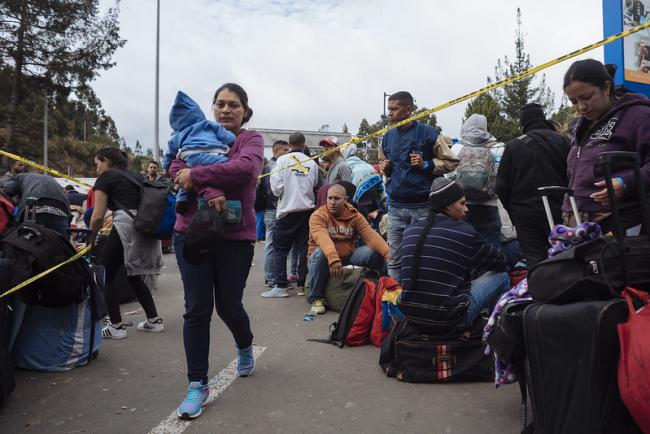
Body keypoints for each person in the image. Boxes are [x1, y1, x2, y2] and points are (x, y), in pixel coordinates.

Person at [170, 83, 264, 420]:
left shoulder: (249, 141)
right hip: (190, 234)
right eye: (221, 104)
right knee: (196, 309)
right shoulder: (189, 132)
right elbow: (172, 169)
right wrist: (206, 186)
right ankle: (197, 384)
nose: (226, 110)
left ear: (245, 111)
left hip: (235, 236)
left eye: (234, 105)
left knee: (228, 305)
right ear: (212, 107)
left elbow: (244, 171)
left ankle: (244, 346)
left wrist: (194, 173)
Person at [398, 178, 510, 338]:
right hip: (449, 321)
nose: (466, 209)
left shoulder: (411, 229)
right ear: (448, 205)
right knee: (502, 277)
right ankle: (496, 337)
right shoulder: (464, 231)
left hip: (412, 319)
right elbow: (501, 262)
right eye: (462, 203)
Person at [563, 59, 650, 233]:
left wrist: (626, 182)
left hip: (622, 225)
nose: (581, 107)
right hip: (578, 225)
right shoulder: (579, 127)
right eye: (573, 101)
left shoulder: (638, 115)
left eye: (587, 97)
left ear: (607, 87)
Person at [86, 147, 164, 340]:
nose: (97, 170)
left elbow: (97, 217)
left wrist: (90, 238)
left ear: (105, 161)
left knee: (105, 273)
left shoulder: (105, 178)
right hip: (144, 224)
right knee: (133, 275)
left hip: (125, 225)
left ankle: (116, 326)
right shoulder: (136, 176)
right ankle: (153, 321)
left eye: (98, 165)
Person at [380, 91, 458, 281]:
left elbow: (452, 162)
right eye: (388, 109)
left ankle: (420, 300)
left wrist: (426, 164)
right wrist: (386, 168)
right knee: (395, 260)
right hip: (396, 207)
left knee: (424, 257)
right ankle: (395, 301)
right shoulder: (387, 137)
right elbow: (383, 165)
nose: (389, 113)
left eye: (394, 109)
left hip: (422, 207)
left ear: (408, 110)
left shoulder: (429, 133)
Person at [497, 103, 570, 266]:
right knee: (565, 257)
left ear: (523, 123)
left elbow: (501, 186)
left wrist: (513, 212)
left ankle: (541, 289)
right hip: (560, 210)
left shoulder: (513, 146)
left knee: (536, 262)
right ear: (542, 119)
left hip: (525, 215)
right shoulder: (564, 141)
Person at [307, 184, 388, 314]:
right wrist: (333, 258)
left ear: (346, 199)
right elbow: (322, 238)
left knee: (373, 252)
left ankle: (384, 288)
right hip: (322, 260)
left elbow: (370, 235)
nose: (332, 202)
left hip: (347, 257)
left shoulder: (355, 216)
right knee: (321, 252)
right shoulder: (318, 215)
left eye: (337, 198)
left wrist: (388, 254)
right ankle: (317, 297)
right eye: (330, 198)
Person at [263, 132, 318, 298]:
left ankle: (281, 286)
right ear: (303, 144)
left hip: (287, 210)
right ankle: (301, 286)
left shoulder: (282, 160)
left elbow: (276, 188)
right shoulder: (312, 163)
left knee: (280, 249)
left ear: (289, 143)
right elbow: (314, 184)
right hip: (307, 210)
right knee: (303, 249)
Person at [163, 90, 236, 214]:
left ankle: (181, 198)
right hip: (214, 155)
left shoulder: (180, 133)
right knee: (221, 170)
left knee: (180, 173)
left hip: (190, 156)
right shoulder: (209, 124)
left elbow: (170, 151)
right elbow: (229, 138)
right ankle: (214, 193)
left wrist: (166, 165)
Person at [455, 113, 505, 251]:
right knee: (492, 247)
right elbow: (503, 178)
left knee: (463, 248)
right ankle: (493, 271)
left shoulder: (457, 149)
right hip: (489, 205)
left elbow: (449, 176)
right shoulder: (498, 148)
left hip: (461, 206)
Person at [261, 140, 290, 289]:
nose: (288, 152)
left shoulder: (278, 165)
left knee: (274, 244)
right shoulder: (273, 166)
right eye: (285, 150)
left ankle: (273, 277)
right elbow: (271, 192)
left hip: (274, 210)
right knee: (272, 245)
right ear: (275, 152)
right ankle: (271, 278)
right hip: (273, 210)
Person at [2, 172, 70, 236]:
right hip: (62, 211)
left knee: (25, 240)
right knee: (60, 242)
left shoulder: (19, 177)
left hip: (36, 207)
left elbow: (8, 190)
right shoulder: (51, 179)